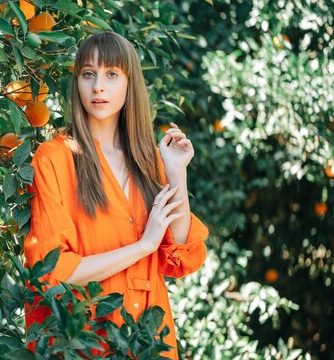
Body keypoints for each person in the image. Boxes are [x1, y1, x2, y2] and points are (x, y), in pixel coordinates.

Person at [23, 31, 209, 359]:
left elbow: (177, 251)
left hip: (149, 340)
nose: (98, 86)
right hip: (83, 341)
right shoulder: (54, 157)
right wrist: (143, 246)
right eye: (88, 74)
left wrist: (176, 171)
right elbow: (53, 272)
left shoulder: (149, 159)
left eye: (111, 74)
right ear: (77, 82)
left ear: (129, 83)